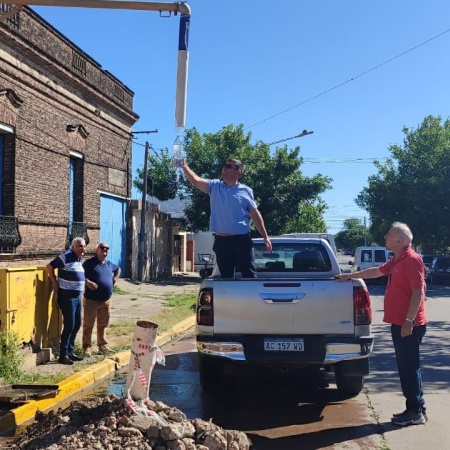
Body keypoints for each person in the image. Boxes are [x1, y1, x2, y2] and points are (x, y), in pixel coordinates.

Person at [335, 222, 427, 426]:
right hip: (401, 323)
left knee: (409, 368)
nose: (385, 237)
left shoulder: (412, 259)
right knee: (408, 367)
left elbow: (418, 292)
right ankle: (416, 408)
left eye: (389, 235)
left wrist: (409, 321)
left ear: (400, 240)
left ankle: (415, 412)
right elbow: (375, 272)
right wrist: (350, 275)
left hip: (408, 325)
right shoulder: (397, 260)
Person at [181, 157, 272, 278]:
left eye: (229, 166)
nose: (224, 168)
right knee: (225, 277)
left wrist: (265, 237)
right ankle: (228, 297)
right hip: (222, 242)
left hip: (242, 240)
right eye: (225, 165)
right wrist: (183, 165)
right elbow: (195, 180)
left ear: (238, 172)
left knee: (249, 275)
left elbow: (255, 215)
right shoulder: (214, 186)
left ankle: (249, 297)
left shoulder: (246, 190)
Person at [47, 237, 86, 365]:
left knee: (77, 324)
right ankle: (63, 355)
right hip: (67, 295)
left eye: (84, 246)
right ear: (73, 246)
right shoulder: (66, 256)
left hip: (77, 295)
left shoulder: (79, 258)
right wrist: (54, 282)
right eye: (80, 246)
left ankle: (70, 351)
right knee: (69, 324)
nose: (83, 248)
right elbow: (50, 266)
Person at [82, 242, 121, 357]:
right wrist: (87, 282)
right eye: (102, 248)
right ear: (97, 250)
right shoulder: (89, 263)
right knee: (89, 324)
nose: (105, 250)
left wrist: (115, 279)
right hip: (91, 300)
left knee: (103, 323)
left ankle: (102, 345)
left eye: (107, 248)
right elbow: (79, 274)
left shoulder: (109, 264)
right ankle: (87, 347)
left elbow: (118, 269)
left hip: (106, 300)